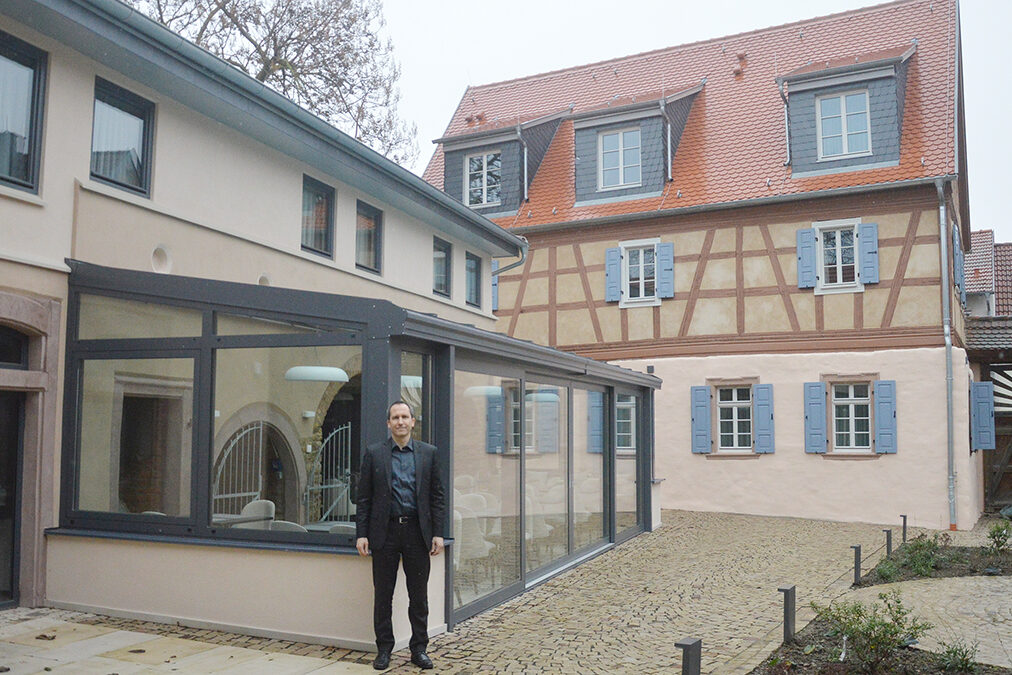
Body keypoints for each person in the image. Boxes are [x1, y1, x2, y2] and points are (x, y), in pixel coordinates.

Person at [356, 401, 445, 671]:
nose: (400, 421)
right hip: (385, 533)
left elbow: (437, 496)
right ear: (388, 423)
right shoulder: (374, 454)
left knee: (418, 596)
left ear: (413, 421)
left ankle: (419, 649)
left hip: (418, 533)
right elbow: (364, 499)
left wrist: (438, 533)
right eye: (395, 417)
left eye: (405, 416)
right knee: (383, 595)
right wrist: (362, 534)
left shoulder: (429, 453)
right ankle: (384, 649)